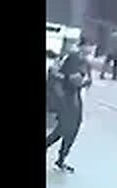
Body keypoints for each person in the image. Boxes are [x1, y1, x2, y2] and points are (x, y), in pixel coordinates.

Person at [46, 37, 92, 173]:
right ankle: (61, 159)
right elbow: (73, 80)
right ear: (82, 46)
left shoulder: (83, 60)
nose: (90, 49)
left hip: (73, 98)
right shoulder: (74, 58)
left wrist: (84, 80)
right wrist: (82, 81)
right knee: (67, 129)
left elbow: (83, 79)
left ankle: (61, 159)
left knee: (65, 129)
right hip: (67, 99)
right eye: (89, 45)